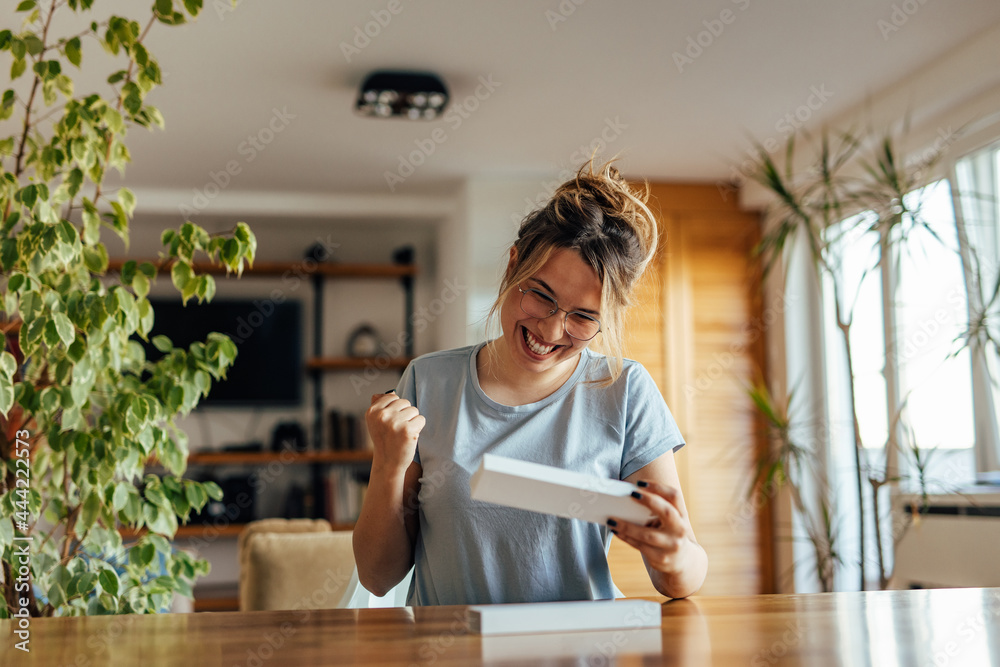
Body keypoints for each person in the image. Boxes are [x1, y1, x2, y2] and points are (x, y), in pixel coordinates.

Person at [353, 159, 708, 606]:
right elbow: (378, 577)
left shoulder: (625, 391)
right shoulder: (428, 382)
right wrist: (387, 465)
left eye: (583, 317)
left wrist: (675, 557)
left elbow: (683, 578)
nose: (552, 330)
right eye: (541, 295)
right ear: (513, 265)